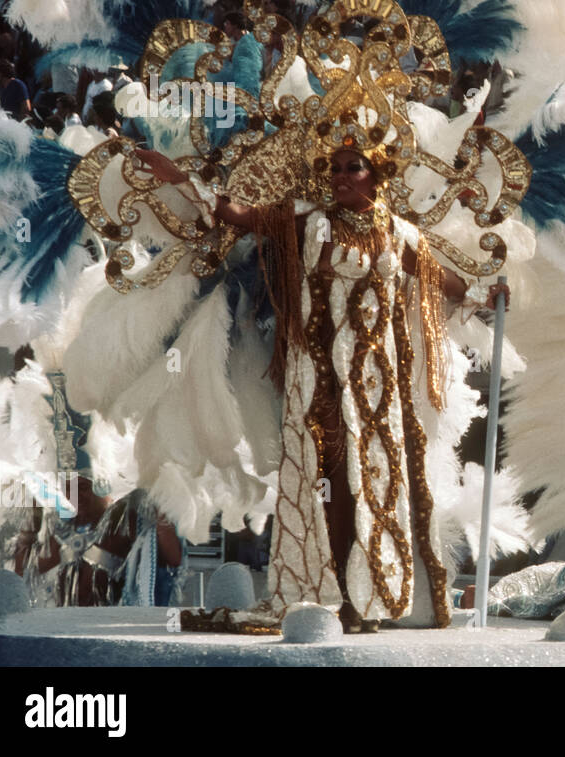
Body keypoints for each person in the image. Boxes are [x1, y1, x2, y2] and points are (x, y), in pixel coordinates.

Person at [134, 126, 509, 631]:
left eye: (351, 167)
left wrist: (489, 297)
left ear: (376, 175)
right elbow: (235, 216)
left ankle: (376, 596)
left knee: (377, 486)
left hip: (379, 393)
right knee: (333, 485)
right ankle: (344, 597)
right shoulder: (306, 223)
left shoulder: (400, 235)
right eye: (333, 168)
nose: (338, 176)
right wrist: (178, 177)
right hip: (321, 385)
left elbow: (449, 285)